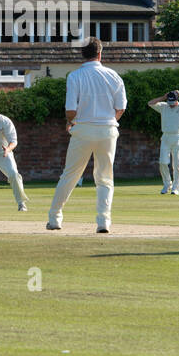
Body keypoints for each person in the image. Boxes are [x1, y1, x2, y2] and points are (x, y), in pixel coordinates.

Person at [47, 38, 127, 234]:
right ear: (100, 54)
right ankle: (103, 222)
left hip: (82, 129)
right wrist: (106, 120)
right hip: (107, 130)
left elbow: (70, 110)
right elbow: (121, 108)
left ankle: (55, 218)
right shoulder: (113, 75)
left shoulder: (75, 76)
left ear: (82, 54)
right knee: (105, 178)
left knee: (70, 174)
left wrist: (70, 122)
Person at [147, 89, 179, 195]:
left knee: (178, 164)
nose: (171, 104)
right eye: (170, 102)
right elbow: (150, 103)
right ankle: (167, 184)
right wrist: (163, 98)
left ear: (177, 100)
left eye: (173, 102)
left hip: (178, 137)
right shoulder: (164, 106)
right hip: (166, 137)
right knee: (163, 162)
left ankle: (176, 188)